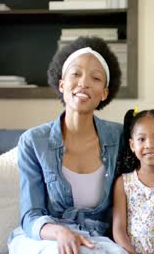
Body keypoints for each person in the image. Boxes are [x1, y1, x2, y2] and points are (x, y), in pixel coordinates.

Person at [8, 36, 127, 254]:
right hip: (48, 238)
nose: (84, 82)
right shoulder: (33, 142)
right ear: (62, 84)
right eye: (76, 73)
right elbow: (31, 214)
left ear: (104, 93)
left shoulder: (121, 137)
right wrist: (61, 233)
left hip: (95, 238)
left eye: (96, 78)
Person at [112, 108, 154, 254]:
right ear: (132, 145)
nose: (149, 145)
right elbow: (118, 230)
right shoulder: (123, 183)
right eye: (142, 139)